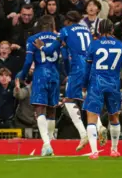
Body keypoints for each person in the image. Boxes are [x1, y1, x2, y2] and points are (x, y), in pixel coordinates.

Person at [39, 11, 106, 151]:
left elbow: (51, 50)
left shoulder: (65, 31)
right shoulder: (87, 31)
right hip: (92, 66)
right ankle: (99, 126)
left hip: (78, 67)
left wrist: (41, 47)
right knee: (86, 98)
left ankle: (84, 134)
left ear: (68, 21)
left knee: (69, 101)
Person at [82, 19, 122, 159]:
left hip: (96, 84)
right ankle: (114, 150)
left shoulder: (94, 45)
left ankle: (94, 152)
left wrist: (84, 87)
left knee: (91, 117)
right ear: (112, 30)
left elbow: (87, 70)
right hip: (113, 84)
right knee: (114, 117)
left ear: (98, 30)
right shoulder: (120, 46)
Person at [15, 15, 62, 156]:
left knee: (40, 109)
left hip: (41, 74)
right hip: (55, 74)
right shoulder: (59, 38)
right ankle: (50, 141)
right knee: (52, 110)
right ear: (52, 25)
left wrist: (22, 76)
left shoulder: (33, 39)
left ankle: (46, 144)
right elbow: (64, 58)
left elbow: (28, 62)